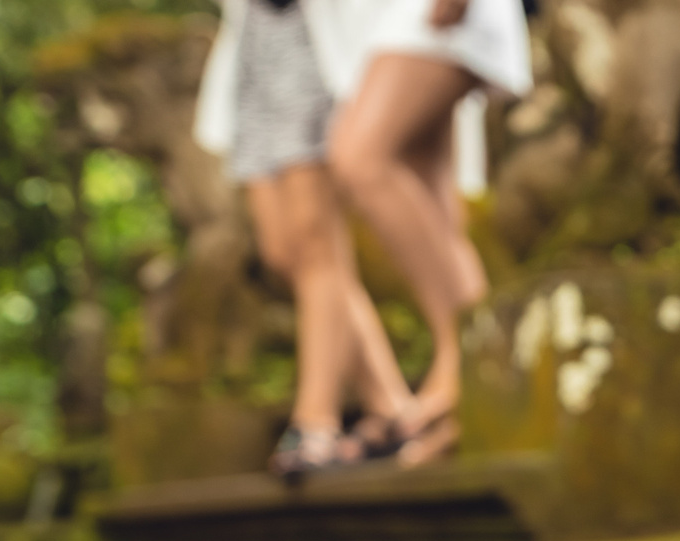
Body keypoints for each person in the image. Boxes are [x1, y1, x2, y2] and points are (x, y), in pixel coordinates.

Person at [195, 0, 420, 481]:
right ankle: (391, 403)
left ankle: (316, 421)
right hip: (251, 49)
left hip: (308, 43)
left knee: (317, 244)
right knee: (284, 253)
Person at [326, 0, 533, 465]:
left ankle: (469, 356)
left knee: (360, 158)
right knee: (425, 184)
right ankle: (464, 383)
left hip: (426, 13)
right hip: (383, 19)